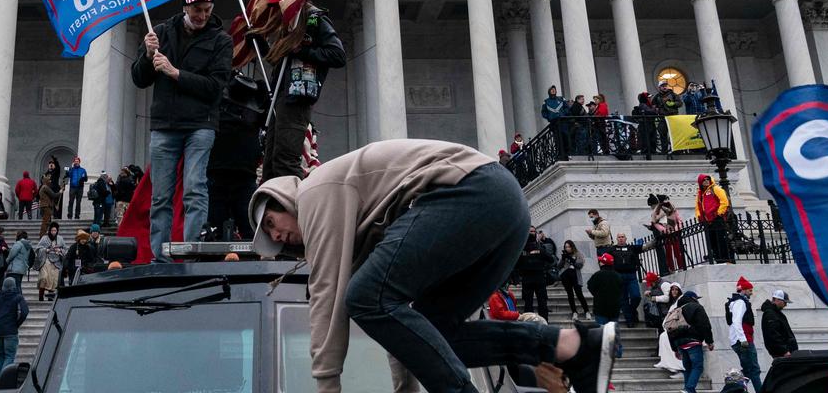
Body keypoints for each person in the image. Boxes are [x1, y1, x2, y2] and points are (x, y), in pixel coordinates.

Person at [249, 139, 619, 393]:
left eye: (271, 223)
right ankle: (572, 346)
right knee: (433, 334)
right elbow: (404, 333)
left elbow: (329, 300)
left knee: (360, 296)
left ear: (284, 198)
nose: (276, 236)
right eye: (269, 237)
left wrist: (327, 387)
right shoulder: (361, 227)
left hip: (474, 192)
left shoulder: (314, 192)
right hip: (505, 207)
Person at [132, 0, 232, 261]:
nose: (202, 15)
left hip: (201, 124)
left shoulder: (221, 40)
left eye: (207, 9)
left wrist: (176, 73)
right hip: (165, 125)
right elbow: (139, 79)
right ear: (185, 6)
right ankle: (160, 258)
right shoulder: (161, 33)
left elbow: (216, 88)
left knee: (194, 188)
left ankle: (192, 254)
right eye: (197, 9)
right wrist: (148, 55)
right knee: (161, 196)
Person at [258, 1, 346, 181]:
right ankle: (273, 205)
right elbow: (280, 62)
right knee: (271, 164)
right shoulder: (289, 24)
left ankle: (299, 205)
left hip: (297, 99)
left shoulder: (314, 19)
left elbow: (337, 55)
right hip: (280, 98)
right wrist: (260, 43)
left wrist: (301, 50)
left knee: (285, 161)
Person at [207, 74, 265, 241]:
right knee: (215, 231)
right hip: (218, 174)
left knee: (250, 231)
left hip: (243, 176)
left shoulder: (258, 102)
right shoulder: (218, 97)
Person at [668, 290, 714, 393]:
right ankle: (689, 389)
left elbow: (669, 330)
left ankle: (687, 389)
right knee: (698, 367)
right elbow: (705, 325)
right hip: (693, 342)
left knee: (688, 368)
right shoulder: (696, 307)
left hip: (680, 344)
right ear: (693, 298)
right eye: (696, 299)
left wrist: (674, 348)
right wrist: (709, 341)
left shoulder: (676, 310)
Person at [0, 277, 29, 381]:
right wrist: (16, 324)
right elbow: (24, 313)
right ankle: (3, 379)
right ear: (14, 286)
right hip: (10, 331)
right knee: (9, 355)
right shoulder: (18, 298)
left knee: (0, 354)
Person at [726, 276, 763, 389]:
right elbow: (737, 321)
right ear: (743, 290)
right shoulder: (740, 302)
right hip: (743, 341)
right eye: (750, 290)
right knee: (754, 370)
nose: (751, 293)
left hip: (739, 340)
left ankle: (733, 390)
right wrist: (743, 340)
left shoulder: (736, 302)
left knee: (748, 371)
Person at [519, 227, 556, 321]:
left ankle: (529, 324)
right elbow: (551, 260)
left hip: (527, 279)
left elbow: (516, 264)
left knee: (528, 303)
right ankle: (544, 323)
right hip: (539, 278)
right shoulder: (540, 248)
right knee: (542, 302)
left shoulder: (521, 250)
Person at [695, 173, 732, 264]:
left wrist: (719, 214)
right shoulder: (700, 194)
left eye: (708, 179)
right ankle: (719, 260)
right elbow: (697, 207)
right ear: (700, 182)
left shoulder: (715, 189)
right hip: (707, 221)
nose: (706, 181)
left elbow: (724, 201)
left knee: (721, 240)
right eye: (704, 180)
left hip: (717, 219)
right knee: (712, 242)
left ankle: (725, 259)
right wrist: (700, 217)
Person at [609, 233, 642, 328]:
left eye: (622, 237)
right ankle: (629, 320)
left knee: (636, 296)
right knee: (623, 300)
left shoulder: (632, 248)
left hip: (631, 275)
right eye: (619, 237)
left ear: (626, 238)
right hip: (618, 275)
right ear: (617, 239)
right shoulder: (612, 249)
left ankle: (632, 311)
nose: (621, 239)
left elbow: (643, 248)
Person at [647, 193, 685, 273]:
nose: (652, 208)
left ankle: (681, 266)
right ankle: (672, 269)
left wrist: (677, 228)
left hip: (673, 232)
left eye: (652, 206)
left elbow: (678, 219)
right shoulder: (655, 213)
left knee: (677, 250)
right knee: (668, 252)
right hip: (666, 234)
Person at [653, 282, 684, 376]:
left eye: (676, 289)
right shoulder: (673, 302)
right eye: (672, 289)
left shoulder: (680, 300)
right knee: (663, 337)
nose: (674, 291)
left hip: (678, 330)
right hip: (671, 330)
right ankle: (665, 362)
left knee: (667, 340)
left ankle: (679, 368)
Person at [761, 289, 798, 359]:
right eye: (784, 302)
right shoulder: (770, 314)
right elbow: (773, 335)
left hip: (785, 352)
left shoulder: (776, 313)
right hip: (782, 353)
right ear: (777, 300)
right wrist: (784, 351)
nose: (786, 305)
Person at [587, 253, 622, 326]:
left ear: (603, 263)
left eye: (600, 261)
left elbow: (590, 286)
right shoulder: (618, 276)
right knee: (613, 333)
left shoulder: (597, 275)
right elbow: (621, 290)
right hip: (614, 309)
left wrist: (596, 295)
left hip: (600, 309)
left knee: (601, 333)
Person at [558, 240, 589, 320]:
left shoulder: (577, 254)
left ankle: (587, 311)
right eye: (566, 247)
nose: (567, 248)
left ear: (572, 247)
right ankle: (574, 312)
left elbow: (579, 265)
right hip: (566, 277)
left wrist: (570, 259)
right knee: (570, 295)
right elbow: (559, 266)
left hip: (576, 277)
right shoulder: (564, 255)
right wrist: (563, 259)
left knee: (579, 294)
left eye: (569, 246)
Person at [35, 223, 65, 302]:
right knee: (43, 278)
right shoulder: (44, 238)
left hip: (56, 262)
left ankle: (50, 297)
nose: (53, 232)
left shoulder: (60, 239)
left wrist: (60, 250)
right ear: (49, 230)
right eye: (52, 230)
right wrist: (46, 250)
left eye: (55, 230)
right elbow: (38, 248)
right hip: (46, 260)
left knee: (53, 280)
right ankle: (41, 296)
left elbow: (65, 250)